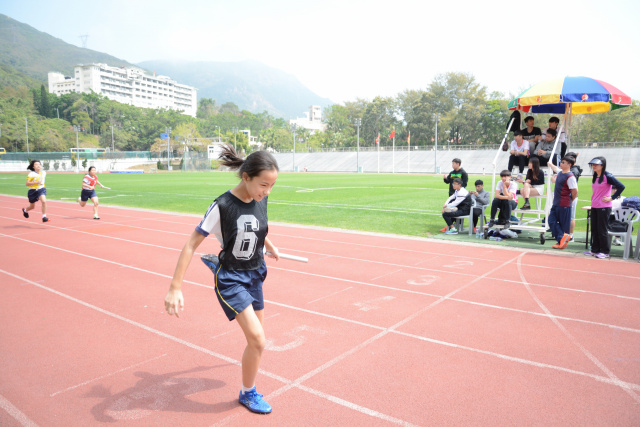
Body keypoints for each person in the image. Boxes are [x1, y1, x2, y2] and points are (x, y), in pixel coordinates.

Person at [164, 145, 280, 414]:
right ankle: (248, 393)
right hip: (232, 278)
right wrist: (175, 287)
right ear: (246, 177)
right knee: (258, 340)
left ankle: (218, 261)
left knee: (256, 340)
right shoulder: (223, 206)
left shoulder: (260, 198)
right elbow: (191, 244)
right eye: (264, 185)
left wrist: (268, 244)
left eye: (272, 186)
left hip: (255, 272)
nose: (267, 192)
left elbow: (255, 225)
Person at [585, 156, 625, 259]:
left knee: (602, 229)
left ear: (602, 165)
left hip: (604, 207)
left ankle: (605, 252)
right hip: (594, 206)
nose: (594, 166)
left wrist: (612, 198)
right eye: (593, 165)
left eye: (596, 164)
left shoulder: (608, 176)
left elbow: (621, 186)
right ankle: (595, 250)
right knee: (594, 229)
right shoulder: (596, 176)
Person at [547, 157, 578, 250]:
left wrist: (570, 200)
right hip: (556, 203)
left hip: (564, 204)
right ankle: (562, 238)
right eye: (561, 162)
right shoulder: (560, 172)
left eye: (564, 162)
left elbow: (575, 191)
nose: (561, 163)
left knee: (563, 224)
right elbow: (555, 168)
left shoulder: (570, 177)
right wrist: (550, 164)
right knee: (551, 220)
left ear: (569, 165)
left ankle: (561, 241)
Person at [441, 158, 468, 231]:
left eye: (453, 163)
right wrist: (445, 178)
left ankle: (457, 225)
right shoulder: (452, 173)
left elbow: (464, 184)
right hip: (452, 194)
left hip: (459, 196)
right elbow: (448, 181)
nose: (452, 165)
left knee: (456, 209)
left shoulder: (463, 173)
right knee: (450, 210)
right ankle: (450, 225)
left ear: (458, 164)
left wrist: (459, 191)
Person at [566, 152, 583, 241]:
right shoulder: (572, 169)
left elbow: (573, 187)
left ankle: (571, 235)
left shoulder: (574, 171)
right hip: (568, 196)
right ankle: (566, 234)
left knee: (571, 217)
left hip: (571, 196)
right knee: (567, 216)